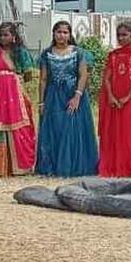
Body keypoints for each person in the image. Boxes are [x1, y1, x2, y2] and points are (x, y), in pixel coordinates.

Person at [35, 20, 99, 177]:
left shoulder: (78, 52)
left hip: (73, 94)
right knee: (54, 128)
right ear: (54, 34)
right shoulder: (47, 53)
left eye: (65, 32)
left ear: (70, 35)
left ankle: (72, 167)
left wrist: (77, 95)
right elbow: (43, 79)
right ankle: (53, 166)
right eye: (59, 32)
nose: (62, 35)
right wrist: (41, 101)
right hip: (53, 96)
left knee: (72, 129)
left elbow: (83, 75)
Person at [0, 22, 38, 177]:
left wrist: (17, 83)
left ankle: (20, 166)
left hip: (15, 91)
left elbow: (28, 75)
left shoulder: (20, 53)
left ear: (14, 36)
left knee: (18, 125)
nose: (3, 38)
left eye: (6, 34)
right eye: (1, 34)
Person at [98, 22, 131, 177]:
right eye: (119, 35)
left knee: (130, 133)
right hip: (114, 100)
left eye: (124, 35)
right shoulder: (113, 55)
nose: (121, 38)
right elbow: (107, 78)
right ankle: (116, 165)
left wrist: (127, 97)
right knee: (115, 133)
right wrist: (111, 96)